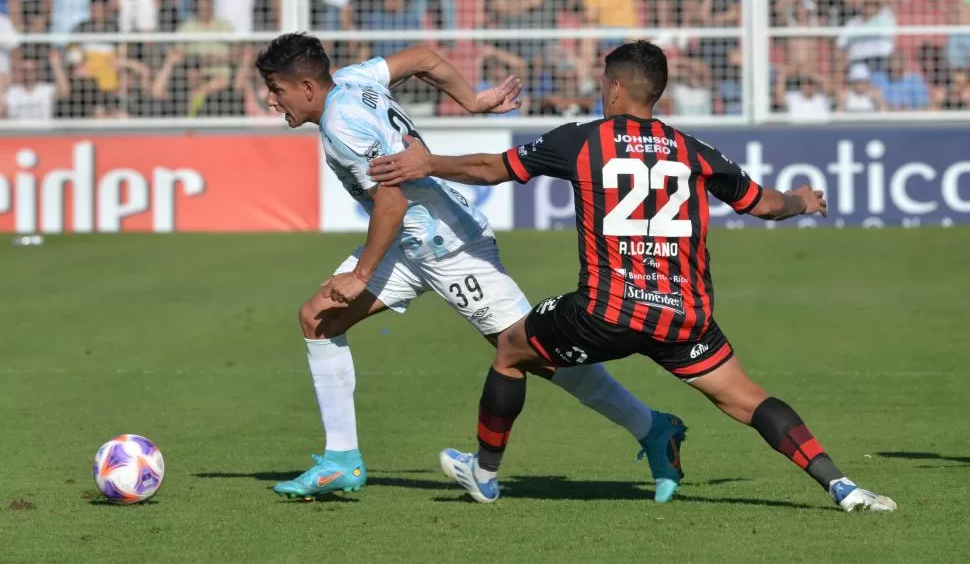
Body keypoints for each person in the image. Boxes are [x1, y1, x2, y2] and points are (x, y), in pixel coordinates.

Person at [369, 41, 897, 513]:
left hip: (606, 312)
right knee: (746, 398)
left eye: (603, 84)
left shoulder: (581, 140)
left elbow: (491, 168)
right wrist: (802, 201)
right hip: (683, 317)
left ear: (616, 88)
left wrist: (427, 163)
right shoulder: (691, 149)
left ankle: (483, 474)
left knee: (510, 350)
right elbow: (763, 204)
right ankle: (842, 486)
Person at [253, 33, 686, 501]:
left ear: (307, 86)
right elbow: (422, 57)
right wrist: (473, 101)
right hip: (409, 242)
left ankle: (653, 427)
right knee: (317, 318)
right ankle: (341, 459)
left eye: (276, 89)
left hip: (449, 247)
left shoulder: (342, 127)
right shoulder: (354, 79)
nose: (272, 100)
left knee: (533, 354)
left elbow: (392, 203)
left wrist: (360, 276)